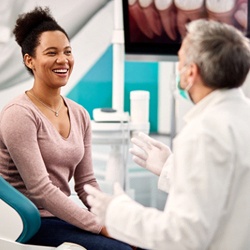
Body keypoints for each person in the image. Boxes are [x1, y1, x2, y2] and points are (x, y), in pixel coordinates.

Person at [85, 19, 250, 250]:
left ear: (191, 72)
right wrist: (172, 170)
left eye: (180, 61)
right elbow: (230, 193)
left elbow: (181, 236)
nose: (178, 70)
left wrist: (116, 212)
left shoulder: (203, 133)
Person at [0, 6, 133, 250]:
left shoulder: (80, 113)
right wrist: (100, 227)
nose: (63, 60)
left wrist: (112, 219)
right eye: (51, 53)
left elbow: (86, 183)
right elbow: (41, 190)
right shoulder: (18, 114)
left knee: (144, 243)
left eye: (67, 52)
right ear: (30, 60)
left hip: (61, 216)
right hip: (27, 223)